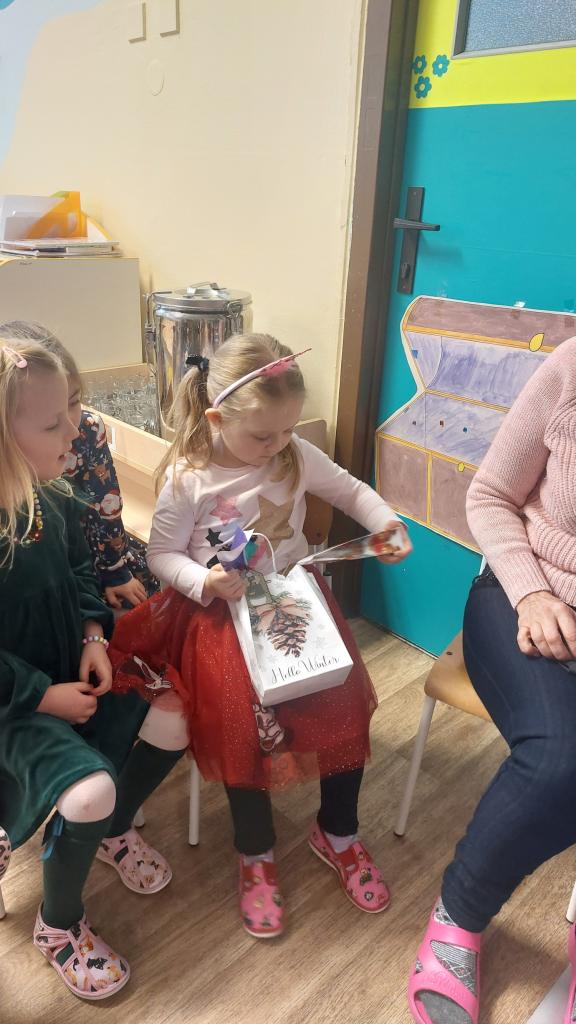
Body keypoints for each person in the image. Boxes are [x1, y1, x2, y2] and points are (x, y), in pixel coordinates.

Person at [110, 333, 412, 938]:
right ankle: (256, 851)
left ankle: (338, 832)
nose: (277, 446)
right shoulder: (190, 478)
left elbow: (350, 490)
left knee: (346, 706)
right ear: (217, 418)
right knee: (242, 727)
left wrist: (386, 521)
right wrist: (203, 580)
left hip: (293, 601)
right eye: (262, 436)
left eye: (287, 431)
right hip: (218, 618)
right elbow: (162, 555)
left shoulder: (292, 453)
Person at [0, 333, 188, 999]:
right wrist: (42, 697)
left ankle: (110, 829)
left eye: (74, 412)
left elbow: (83, 572)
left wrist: (91, 635)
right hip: (16, 708)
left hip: (74, 671)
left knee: (173, 712)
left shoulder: (52, 502)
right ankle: (58, 925)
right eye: (54, 423)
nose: (76, 432)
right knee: (87, 791)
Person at [409, 337, 576, 1024]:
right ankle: (460, 912)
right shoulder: (569, 367)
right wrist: (533, 593)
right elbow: (489, 496)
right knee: (559, 761)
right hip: (522, 589)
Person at [0, 320, 159, 609]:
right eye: (52, 422)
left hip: (91, 557)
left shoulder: (83, 435)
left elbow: (106, 505)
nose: (72, 429)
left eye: (73, 402)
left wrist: (114, 570)